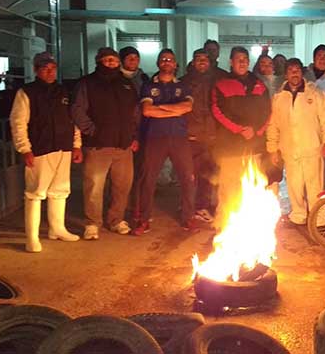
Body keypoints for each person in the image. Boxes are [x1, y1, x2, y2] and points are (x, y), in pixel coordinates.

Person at [9, 52, 82, 253]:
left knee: (60, 190)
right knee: (35, 193)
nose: (50, 72)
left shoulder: (63, 91)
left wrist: (76, 144)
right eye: (45, 68)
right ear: (36, 70)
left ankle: (57, 228)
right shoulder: (27, 92)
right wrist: (25, 149)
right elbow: (18, 123)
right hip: (40, 148)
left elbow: (73, 120)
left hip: (63, 147)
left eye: (53, 68)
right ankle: (31, 237)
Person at [71, 47, 139, 240]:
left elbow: (136, 112)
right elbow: (77, 110)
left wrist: (133, 136)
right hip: (98, 145)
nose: (111, 63)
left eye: (114, 60)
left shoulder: (126, 84)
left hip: (123, 146)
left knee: (122, 186)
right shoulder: (87, 83)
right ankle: (92, 223)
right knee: (94, 186)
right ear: (99, 61)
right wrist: (92, 130)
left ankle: (116, 220)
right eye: (107, 60)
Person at [132, 49, 198, 234]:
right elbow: (147, 111)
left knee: (187, 178)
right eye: (163, 59)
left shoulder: (183, 86)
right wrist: (174, 109)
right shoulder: (148, 85)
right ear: (158, 63)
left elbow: (187, 107)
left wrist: (159, 107)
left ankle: (188, 217)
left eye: (170, 59)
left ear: (175, 64)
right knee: (147, 179)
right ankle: (143, 219)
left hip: (179, 137)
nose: (167, 62)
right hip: (155, 137)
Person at [267, 58, 325, 225]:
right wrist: (272, 148)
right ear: (286, 74)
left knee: (315, 186)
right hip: (290, 150)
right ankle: (298, 215)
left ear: (302, 72)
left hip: (313, 147)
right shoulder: (279, 98)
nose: (294, 73)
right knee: (294, 186)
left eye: (297, 70)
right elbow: (274, 124)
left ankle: (318, 219)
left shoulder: (315, 93)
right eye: (291, 70)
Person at [211, 46, 271, 226]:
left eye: (245, 59)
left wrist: (257, 130)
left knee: (253, 186)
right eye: (239, 59)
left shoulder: (259, 84)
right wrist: (239, 129)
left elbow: (268, 111)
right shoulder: (221, 84)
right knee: (228, 188)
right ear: (231, 62)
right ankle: (224, 224)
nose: (243, 62)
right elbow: (217, 111)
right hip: (230, 148)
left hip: (255, 146)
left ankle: (251, 225)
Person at [182, 49, 218, 223]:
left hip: (211, 136)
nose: (202, 62)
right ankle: (187, 208)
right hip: (191, 136)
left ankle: (202, 207)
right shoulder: (184, 82)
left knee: (208, 174)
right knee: (189, 175)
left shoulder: (217, 80)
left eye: (205, 59)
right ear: (193, 62)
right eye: (198, 59)